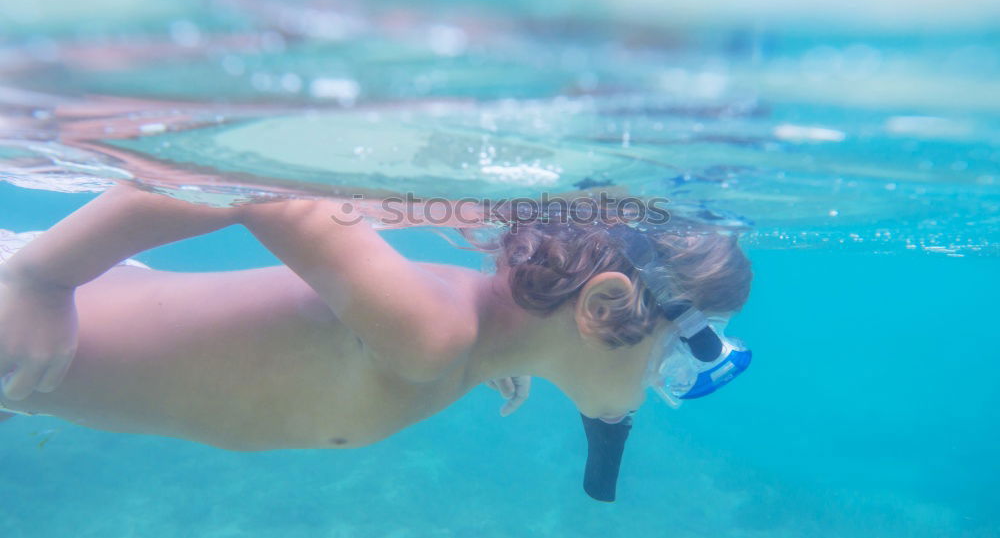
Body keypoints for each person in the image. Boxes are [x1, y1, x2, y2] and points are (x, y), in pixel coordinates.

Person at [0, 184, 751, 452]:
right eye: (674, 358)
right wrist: (40, 277)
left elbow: (507, 319)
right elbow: (260, 188)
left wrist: (516, 357)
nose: (665, 383)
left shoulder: (471, 340)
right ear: (603, 307)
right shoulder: (431, 335)